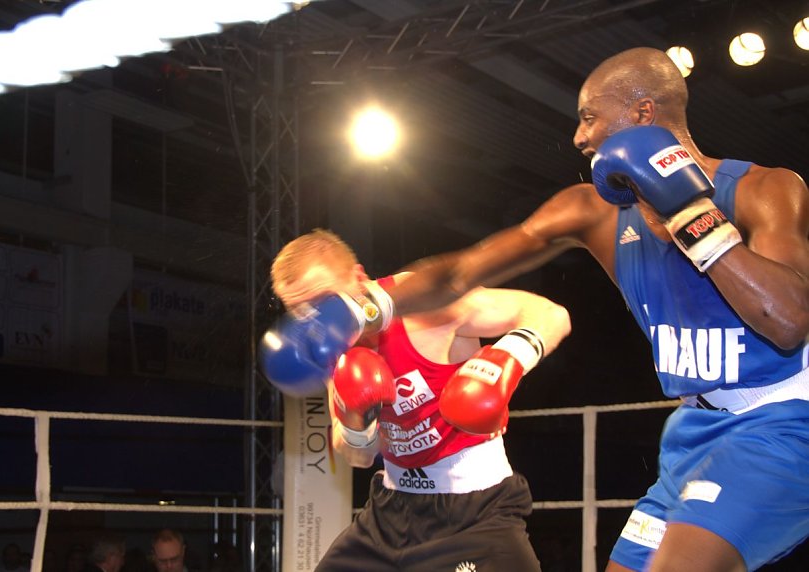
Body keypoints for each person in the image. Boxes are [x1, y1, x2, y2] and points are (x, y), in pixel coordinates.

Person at [330, 47, 809, 571]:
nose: (580, 137)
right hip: (694, 432)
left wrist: (688, 212)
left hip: (784, 422)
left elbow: (787, 322)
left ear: (642, 115)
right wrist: (367, 306)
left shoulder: (765, 189)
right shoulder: (593, 212)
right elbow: (459, 273)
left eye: (589, 117)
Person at [268, 229, 572, 571]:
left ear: (358, 279)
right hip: (388, 513)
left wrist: (503, 360)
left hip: (475, 514)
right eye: (300, 313)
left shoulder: (419, 303)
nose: (316, 322)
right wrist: (355, 418)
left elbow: (551, 315)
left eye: (322, 303)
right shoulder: (324, 343)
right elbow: (357, 455)